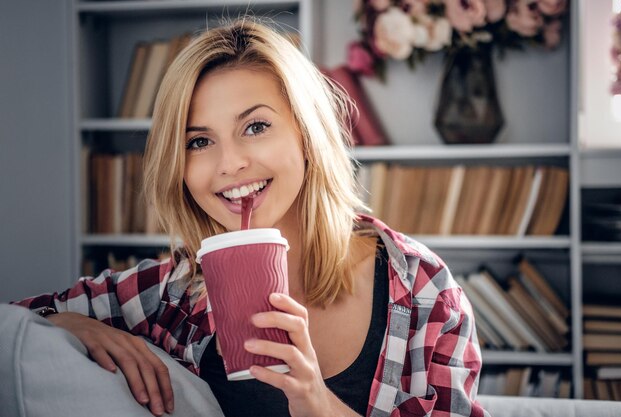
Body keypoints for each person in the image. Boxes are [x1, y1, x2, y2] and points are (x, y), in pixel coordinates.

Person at [12, 18, 488, 417]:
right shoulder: (175, 290)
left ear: (306, 134)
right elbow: (15, 321)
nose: (229, 163)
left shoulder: (425, 293)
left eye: (255, 126)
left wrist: (317, 403)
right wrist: (71, 324)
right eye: (198, 141)